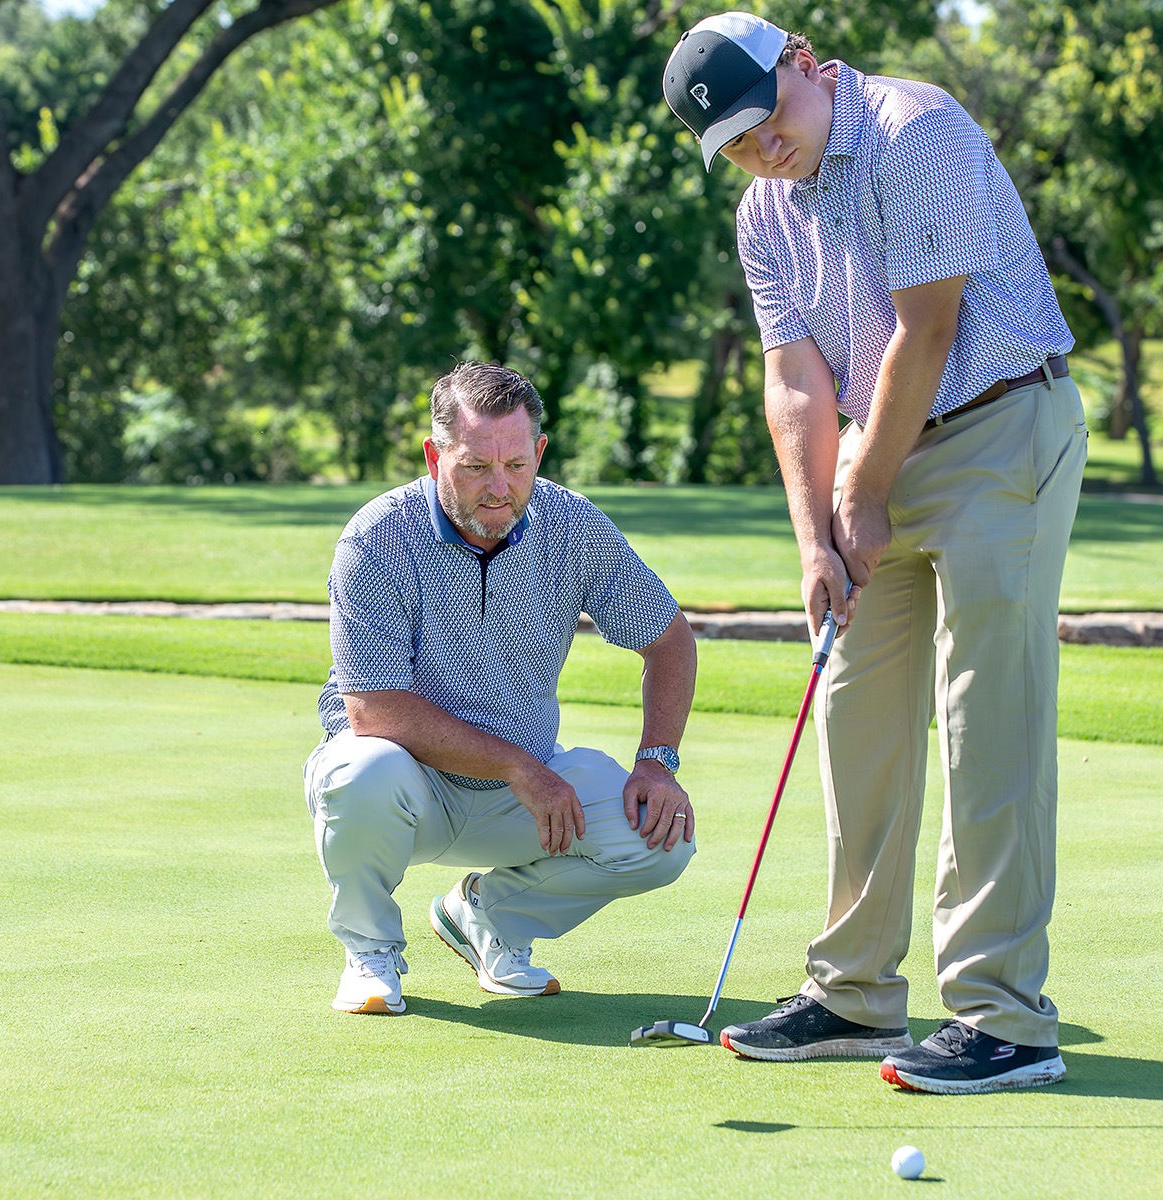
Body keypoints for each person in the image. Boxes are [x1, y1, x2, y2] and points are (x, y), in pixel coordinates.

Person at [661, 12, 1087, 1093]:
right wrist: (817, 534)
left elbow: (926, 329)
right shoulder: (765, 212)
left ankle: (1003, 1016)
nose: (764, 149)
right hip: (879, 448)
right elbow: (794, 380)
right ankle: (854, 993)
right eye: (736, 145)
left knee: (986, 723)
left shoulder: (915, 131)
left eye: (768, 119)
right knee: (855, 719)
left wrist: (862, 490)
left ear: (804, 62)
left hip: (1000, 426)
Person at [303, 361, 700, 1016]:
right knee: (361, 770)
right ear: (434, 456)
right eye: (475, 467)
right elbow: (373, 708)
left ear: (539, 452)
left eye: (516, 466)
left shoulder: (571, 525)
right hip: (408, 790)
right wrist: (518, 766)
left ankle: (489, 919)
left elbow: (669, 639)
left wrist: (657, 762)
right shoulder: (377, 537)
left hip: (521, 800)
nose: (499, 488)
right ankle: (370, 951)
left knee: (662, 840)